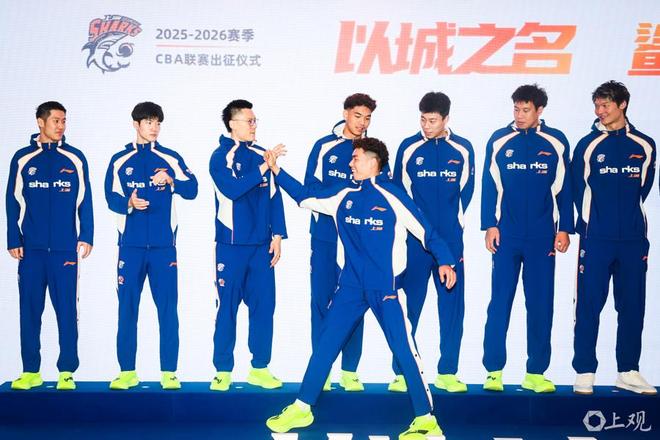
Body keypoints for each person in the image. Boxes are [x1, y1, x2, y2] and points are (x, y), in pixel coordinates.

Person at [265, 137, 456, 439]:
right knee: (326, 343)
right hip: (351, 287)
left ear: (372, 161)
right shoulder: (343, 194)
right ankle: (302, 407)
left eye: (355, 158)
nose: (350, 163)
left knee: (404, 350)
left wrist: (445, 261)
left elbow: (426, 230)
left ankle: (426, 420)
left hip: (385, 288)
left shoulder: (392, 194)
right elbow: (304, 196)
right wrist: (277, 170)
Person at [481, 84, 573, 393]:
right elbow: (489, 185)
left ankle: (535, 371)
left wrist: (564, 228)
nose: (519, 115)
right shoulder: (499, 140)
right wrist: (489, 224)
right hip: (506, 235)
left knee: (541, 304)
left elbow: (565, 188)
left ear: (539, 111)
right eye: (516, 109)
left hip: (542, 236)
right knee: (500, 302)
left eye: (525, 110)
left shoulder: (556, 141)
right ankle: (494, 370)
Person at [570, 80, 656, 395]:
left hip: (633, 239)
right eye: (597, 106)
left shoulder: (645, 145)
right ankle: (585, 370)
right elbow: (576, 189)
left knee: (632, 306)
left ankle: (628, 371)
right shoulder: (588, 145)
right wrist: (590, 222)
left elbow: (643, 188)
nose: (600, 111)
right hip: (596, 238)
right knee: (588, 305)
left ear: (622, 105)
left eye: (605, 105)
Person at [104, 102, 198, 390]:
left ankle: (169, 372)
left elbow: (193, 188)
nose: (154, 127)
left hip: (163, 248)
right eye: (148, 122)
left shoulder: (170, 158)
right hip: (130, 248)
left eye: (157, 122)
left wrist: (172, 180)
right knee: (127, 309)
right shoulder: (120, 160)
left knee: (168, 310)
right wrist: (129, 203)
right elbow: (110, 197)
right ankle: (127, 372)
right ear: (136, 124)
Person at [390, 91, 474, 393]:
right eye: (423, 120)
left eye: (433, 121)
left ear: (446, 119)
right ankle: (403, 372)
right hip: (415, 242)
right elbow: (399, 194)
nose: (426, 126)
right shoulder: (408, 148)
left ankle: (448, 372)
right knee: (409, 306)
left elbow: (465, 192)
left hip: (450, 241)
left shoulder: (462, 149)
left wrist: (450, 226)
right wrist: (416, 228)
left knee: (452, 307)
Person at [6, 101, 93, 390]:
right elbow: (12, 201)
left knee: (67, 311)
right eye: (56, 120)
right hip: (31, 250)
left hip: (65, 250)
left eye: (64, 121)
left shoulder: (75, 158)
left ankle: (66, 371)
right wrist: (13, 238)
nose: (61, 126)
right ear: (40, 122)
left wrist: (86, 235)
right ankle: (31, 371)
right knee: (30, 310)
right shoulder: (22, 158)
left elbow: (85, 199)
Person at [208, 99, 287, 391]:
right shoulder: (220, 156)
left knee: (264, 307)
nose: (254, 126)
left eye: (255, 121)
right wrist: (265, 166)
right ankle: (222, 371)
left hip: (261, 247)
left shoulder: (261, 154)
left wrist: (278, 235)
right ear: (232, 124)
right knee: (226, 308)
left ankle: (260, 368)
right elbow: (232, 190)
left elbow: (275, 197)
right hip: (231, 245)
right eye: (249, 121)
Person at [304, 93, 377, 391]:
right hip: (325, 236)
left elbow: (380, 192)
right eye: (358, 116)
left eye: (367, 118)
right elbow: (309, 188)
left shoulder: (372, 151)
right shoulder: (325, 146)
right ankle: (321, 371)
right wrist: (343, 191)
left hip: (358, 240)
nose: (362, 122)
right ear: (346, 113)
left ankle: (350, 370)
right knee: (321, 301)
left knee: (355, 303)